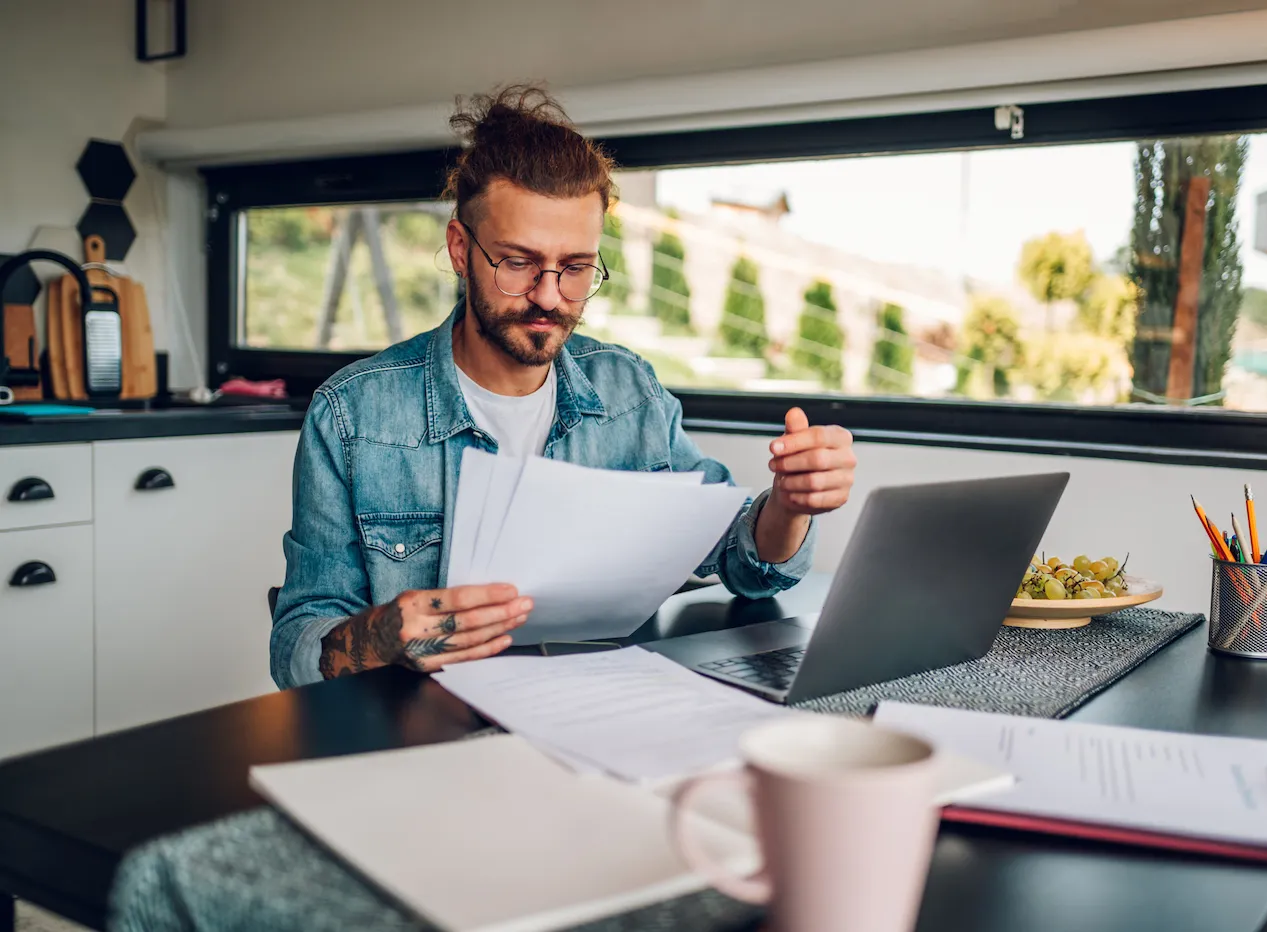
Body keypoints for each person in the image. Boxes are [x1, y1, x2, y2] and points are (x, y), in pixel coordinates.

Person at [270, 85, 858, 689]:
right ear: (459, 250)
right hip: (427, 727)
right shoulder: (352, 416)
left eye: (576, 267)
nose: (550, 296)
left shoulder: (629, 391)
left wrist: (789, 505)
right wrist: (382, 636)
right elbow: (298, 645)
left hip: (603, 711)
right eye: (518, 263)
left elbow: (740, 559)